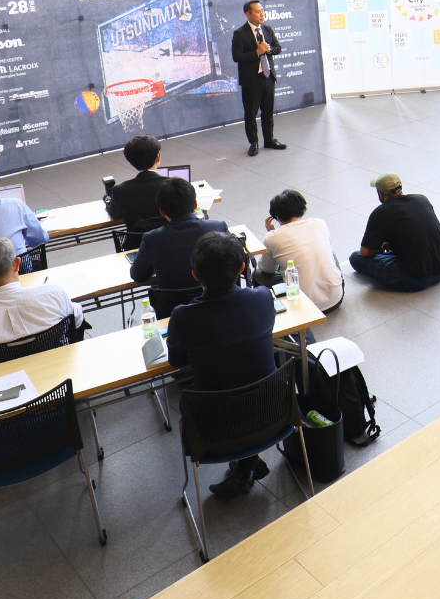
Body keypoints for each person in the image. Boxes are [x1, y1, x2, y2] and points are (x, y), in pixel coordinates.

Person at [166, 232, 279, 498]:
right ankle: (247, 465)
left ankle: (245, 467)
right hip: (274, 413)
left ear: (195, 275)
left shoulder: (183, 316)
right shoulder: (263, 297)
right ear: (242, 268)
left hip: (214, 430)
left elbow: (177, 361)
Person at [0, 237, 80, 371]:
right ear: (17, 264)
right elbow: (76, 321)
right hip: (59, 372)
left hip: (1, 380)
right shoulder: (54, 294)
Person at [349, 173, 440, 292]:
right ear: (401, 188)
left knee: (355, 257)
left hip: (415, 279)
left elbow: (365, 252)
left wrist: (383, 247)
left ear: (381, 194)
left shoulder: (381, 212)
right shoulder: (421, 199)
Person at [130, 178, 228, 293]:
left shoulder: (151, 239)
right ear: (195, 204)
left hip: (173, 303)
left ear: (161, 211)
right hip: (215, 300)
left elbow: (138, 276)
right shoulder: (218, 228)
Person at [255, 189, 344, 312]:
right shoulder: (320, 223)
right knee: (330, 254)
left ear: (276, 217)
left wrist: (272, 236)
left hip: (302, 307)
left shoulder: (272, 237)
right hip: (336, 299)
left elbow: (267, 269)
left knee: (258, 274)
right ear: (302, 208)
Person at [232, 0, 287, 158]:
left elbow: (278, 48)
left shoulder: (267, 29)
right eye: (258, 11)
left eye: (262, 11)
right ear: (248, 14)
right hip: (251, 80)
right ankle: (254, 143)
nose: (262, 14)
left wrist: (269, 50)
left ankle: (269, 139)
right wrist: (257, 52)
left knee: (268, 111)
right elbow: (237, 57)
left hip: (268, 77)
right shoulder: (240, 33)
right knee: (251, 113)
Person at [105, 134, 168, 232]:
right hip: (172, 239)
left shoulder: (120, 190)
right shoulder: (174, 185)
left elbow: (115, 215)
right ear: (157, 157)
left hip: (138, 241)